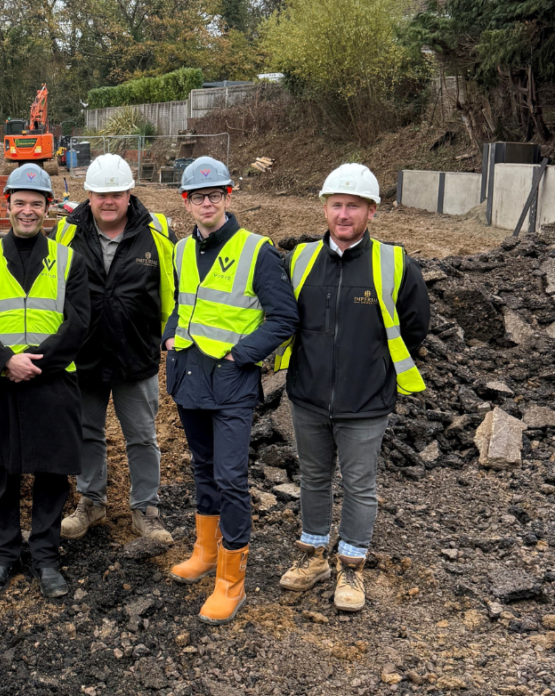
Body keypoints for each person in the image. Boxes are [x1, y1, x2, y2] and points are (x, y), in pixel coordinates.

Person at [275, 163, 429, 612]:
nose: (344, 214)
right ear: (325, 208)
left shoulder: (395, 263)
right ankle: (313, 555)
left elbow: (415, 326)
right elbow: (283, 318)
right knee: (313, 478)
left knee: (360, 485)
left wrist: (374, 366)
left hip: (365, 400)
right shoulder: (299, 259)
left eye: (354, 206)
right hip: (308, 395)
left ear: (371, 211)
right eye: (337, 205)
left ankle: (351, 566)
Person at [163, 157, 298, 625]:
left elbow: (284, 318)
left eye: (215, 195)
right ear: (186, 201)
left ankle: (230, 580)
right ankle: (205, 552)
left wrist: (240, 355)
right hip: (188, 375)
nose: (207, 203)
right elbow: (182, 303)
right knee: (202, 468)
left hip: (231, 381)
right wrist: (169, 335)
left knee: (230, 478)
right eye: (198, 196)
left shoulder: (256, 251)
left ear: (228, 196)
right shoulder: (181, 250)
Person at [0, 163, 90, 599]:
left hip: (52, 383)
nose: (27, 211)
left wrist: (36, 363)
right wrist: (5, 362)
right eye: (19, 203)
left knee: (52, 474)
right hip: (0, 383)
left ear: (48, 208)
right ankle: (4, 556)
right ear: (7, 205)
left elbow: (78, 323)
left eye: (36, 203)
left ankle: (46, 557)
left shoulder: (69, 261)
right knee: (3, 473)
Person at [54, 153, 177, 544]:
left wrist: (169, 337)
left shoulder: (157, 232)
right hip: (83, 354)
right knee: (87, 433)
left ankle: (146, 509)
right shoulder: (66, 233)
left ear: (130, 194)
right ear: (88, 195)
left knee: (142, 436)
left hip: (136, 353)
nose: (109, 201)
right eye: (101, 194)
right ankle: (91, 501)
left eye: (117, 194)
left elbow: (175, 290)